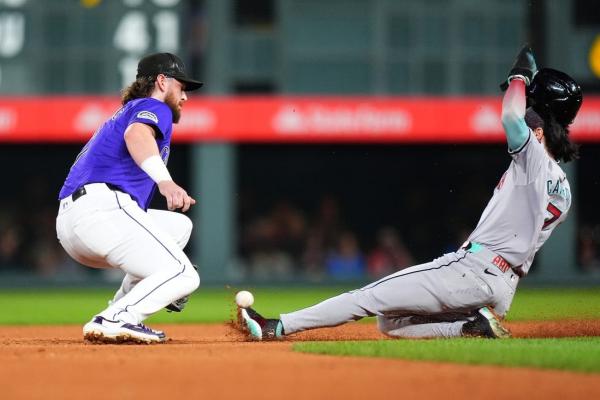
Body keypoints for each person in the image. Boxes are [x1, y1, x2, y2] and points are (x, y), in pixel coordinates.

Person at [237, 46, 583, 340]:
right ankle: (471, 327)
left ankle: (276, 326)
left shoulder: (533, 156)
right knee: (392, 322)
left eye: (531, 109)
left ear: (539, 126)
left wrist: (519, 77)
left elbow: (510, 116)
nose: (523, 109)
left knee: (367, 297)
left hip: (474, 270)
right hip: (504, 287)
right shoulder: (563, 191)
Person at [56, 53, 203, 344]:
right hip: (102, 209)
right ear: (162, 81)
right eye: (181, 87)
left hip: (75, 222)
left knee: (178, 228)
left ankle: (116, 310)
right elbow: (137, 135)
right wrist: (166, 182)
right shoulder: (152, 106)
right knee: (185, 275)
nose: (185, 96)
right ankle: (118, 318)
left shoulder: (128, 110)